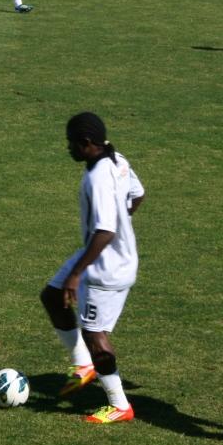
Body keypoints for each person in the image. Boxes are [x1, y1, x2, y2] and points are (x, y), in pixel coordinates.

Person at [40, 112, 145, 424]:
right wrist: (123, 221)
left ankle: (119, 404)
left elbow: (105, 231)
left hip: (106, 266)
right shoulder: (118, 160)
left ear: (86, 143)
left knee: (94, 334)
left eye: (71, 143)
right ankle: (82, 364)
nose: (68, 148)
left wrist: (76, 274)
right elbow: (138, 194)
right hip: (100, 254)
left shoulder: (98, 177)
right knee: (52, 296)